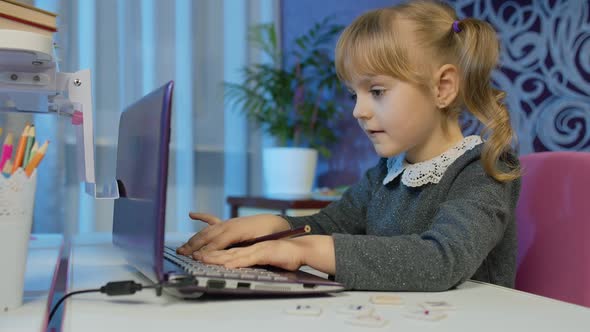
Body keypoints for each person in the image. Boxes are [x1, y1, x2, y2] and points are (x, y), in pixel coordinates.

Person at [177, 0, 521, 291]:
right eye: (353, 94)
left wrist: (305, 249)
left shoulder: (485, 168)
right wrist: (273, 227)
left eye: (377, 91)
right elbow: (333, 222)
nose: (359, 110)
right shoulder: (388, 172)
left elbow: (442, 259)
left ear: (443, 87)